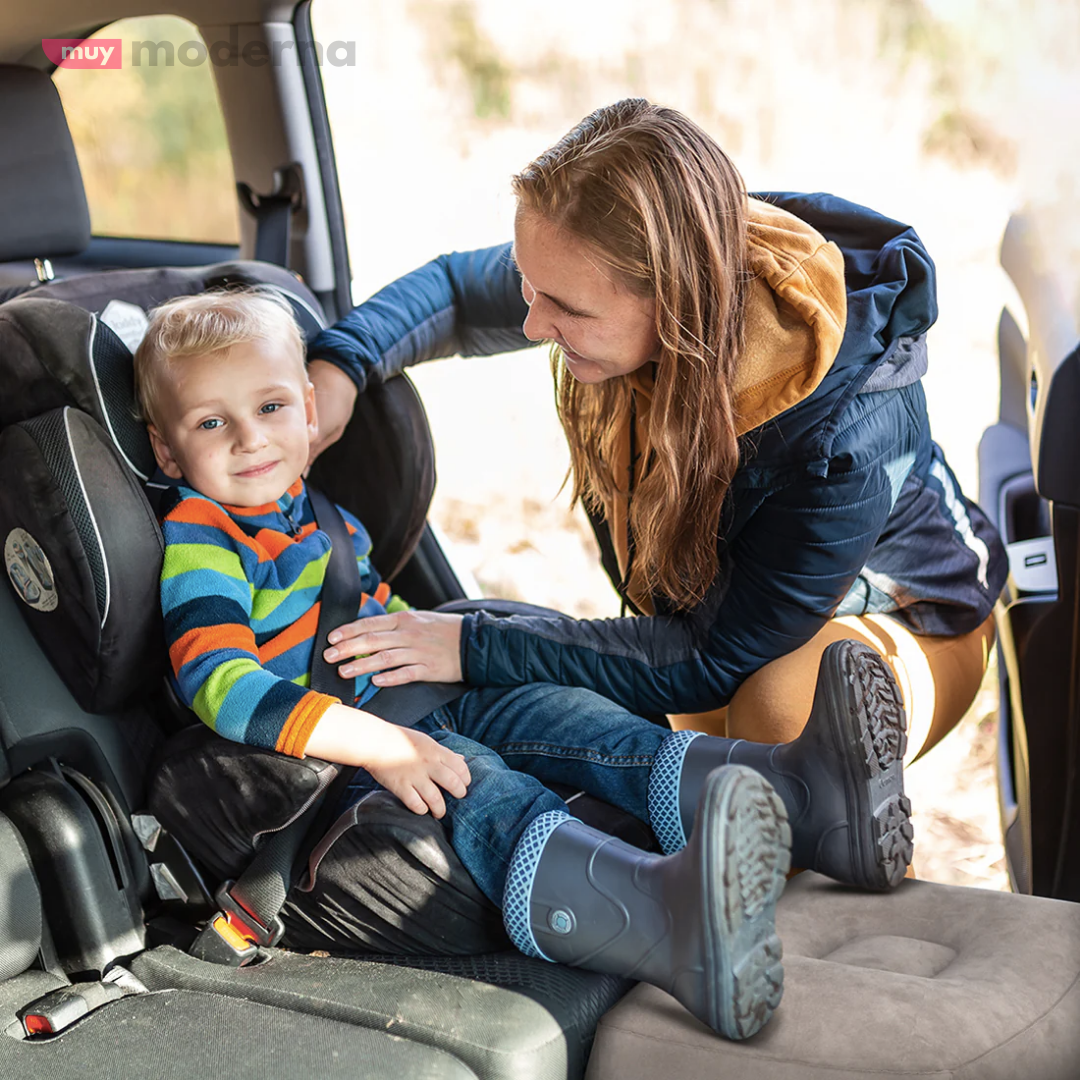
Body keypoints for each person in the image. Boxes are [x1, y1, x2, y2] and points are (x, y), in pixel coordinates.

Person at [133, 287, 912, 1041]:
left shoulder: (319, 513)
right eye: (212, 422)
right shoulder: (204, 537)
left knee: (573, 718)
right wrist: (381, 745)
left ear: (310, 409)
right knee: (483, 787)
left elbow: (372, 615)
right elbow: (222, 684)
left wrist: (448, 650)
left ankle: (808, 804)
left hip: (412, 697)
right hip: (341, 751)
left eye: (270, 408)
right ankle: (666, 923)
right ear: (167, 449)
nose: (250, 439)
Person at [304, 97, 1006, 779]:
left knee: (780, 720)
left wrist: (471, 646)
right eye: (527, 284)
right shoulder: (587, 257)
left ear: (675, 299)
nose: (532, 325)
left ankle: (837, 829)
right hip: (729, 631)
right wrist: (340, 365)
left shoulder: (843, 429)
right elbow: (456, 293)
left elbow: (712, 655)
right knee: (688, 767)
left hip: (913, 615)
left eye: (567, 309)